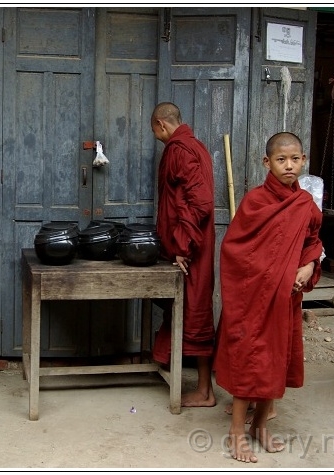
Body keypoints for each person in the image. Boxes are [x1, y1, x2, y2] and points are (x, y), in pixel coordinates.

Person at [213, 132, 323, 463]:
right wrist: (278, 274)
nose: (288, 165)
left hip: (286, 297)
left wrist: (306, 266)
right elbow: (235, 251)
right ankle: (236, 433)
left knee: (276, 358)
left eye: (295, 159)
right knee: (250, 358)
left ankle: (260, 426)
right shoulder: (255, 202)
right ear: (267, 162)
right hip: (254, 299)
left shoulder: (305, 204)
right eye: (281, 159)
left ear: (303, 161)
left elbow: (312, 241)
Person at [150, 102, 216, 407]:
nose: (155, 135)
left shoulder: (180, 150)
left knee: (196, 313)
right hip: (188, 246)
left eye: (154, 130)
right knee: (186, 310)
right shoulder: (194, 146)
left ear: (161, 124)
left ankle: (205, 391)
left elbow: (200, 202)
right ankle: (177, 373)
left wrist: (182, 246)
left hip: (191, 250)